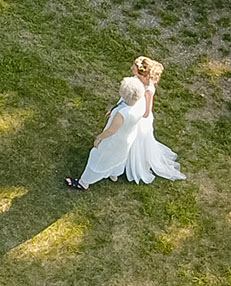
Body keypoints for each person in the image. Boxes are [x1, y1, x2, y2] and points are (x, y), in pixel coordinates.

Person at [67, 57, 183, 189]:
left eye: (134, 65)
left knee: (104, 154)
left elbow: (145, 113)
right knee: (122, 152)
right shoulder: (133, 84)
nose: (131, 67)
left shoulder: (143, 94)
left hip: (134, 121)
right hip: (130, 121)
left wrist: (101, 135)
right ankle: (114, 173)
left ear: (141, 72)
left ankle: (84, 182)